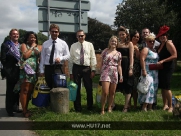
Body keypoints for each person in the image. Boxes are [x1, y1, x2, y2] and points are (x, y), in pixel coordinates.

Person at [13, 31, 42, 117]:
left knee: (30, 90)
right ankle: (24, 110)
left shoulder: (40, 46)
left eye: (34, 37)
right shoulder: (24, 45)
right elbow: (25, 56)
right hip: (25, 71)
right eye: (30, 37)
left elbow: (41, 57)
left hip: (34, 72)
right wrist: (32, 47)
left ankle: (26, 108)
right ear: (27, 38)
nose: (33, 39)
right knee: (24, 90)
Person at [68, 29, 97, 112]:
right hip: (76, 68)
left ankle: (90, 106)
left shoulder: (90, 45)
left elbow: (93, 57)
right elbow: (70, 60)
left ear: (85, 36)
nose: (80, 37)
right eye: (79, 36)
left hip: (86, 68)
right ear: (76, 37)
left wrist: (93, 70)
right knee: (76, 88)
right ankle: (78, 108)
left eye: (82, 35)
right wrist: (70, 72)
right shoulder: (73, 46)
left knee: (89, 88)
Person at [39, 24, 70, 89]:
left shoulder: (63, 43)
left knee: (58, 87)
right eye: (52, 31)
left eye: (56, 31)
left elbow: (68, 55)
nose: (54, 33)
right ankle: (49, 99)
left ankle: (57, 99)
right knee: (49, 87)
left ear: (58, 33)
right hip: (48, 68)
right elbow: (42, 58)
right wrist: (41, 70)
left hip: (58, 67)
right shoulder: (45, 43)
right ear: (50, 32)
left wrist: (61, 58)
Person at [99, 36, 123, 115]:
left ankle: (109, 107)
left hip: (114, 72)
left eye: (115, 41)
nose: (114, 42)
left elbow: (119, 66)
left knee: (112, 93)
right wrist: (101, 73)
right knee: (105, 92)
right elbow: (101, 63)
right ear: (109, 42)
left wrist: (121, 75)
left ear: (117, 43)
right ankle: (102, 109)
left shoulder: (119, 53)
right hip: (105, 72)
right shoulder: (105, 51)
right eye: (112, 41)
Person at [156, 25, 177, 112]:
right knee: (163, 87)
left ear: (167, 36)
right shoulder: (161, 44)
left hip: (168, 67)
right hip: (161, 67)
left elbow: (175, 55)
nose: (162, 37)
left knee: (167, 87)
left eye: (164, 35)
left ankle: (171, 106)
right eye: (161, 36)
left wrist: (163, 61)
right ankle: (165, 105)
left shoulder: (168, 43)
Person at [1, 29, 21, 116]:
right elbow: (3, 59)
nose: (15, 35)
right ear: (10, 36)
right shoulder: (6, 45)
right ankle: (9, 109)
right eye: (13, 34)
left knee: (17, 90)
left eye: (16, 34)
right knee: (10, 91)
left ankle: (15, 107)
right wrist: (6, 70)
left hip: (19, 70)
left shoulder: (20, 45)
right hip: (10, 71)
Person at [138, 33, 159, 111]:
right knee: (148, 88)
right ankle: (144, 106)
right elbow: (142, 59)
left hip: (155, 72)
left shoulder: (154, 50)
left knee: (154, 89)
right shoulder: (145, 49)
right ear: (146, 42)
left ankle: (150, 106)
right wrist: (143, 70)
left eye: (153, 41)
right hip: (147, 71)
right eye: (150, 41)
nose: (152, 43)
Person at [116, 26, 134, 112]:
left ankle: (126, 106)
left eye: (123, 34)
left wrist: (131, 68)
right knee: (116, 84)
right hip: (118, 65)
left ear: (126, 34)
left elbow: (131, 57)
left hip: (126, 65)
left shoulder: (130, 44)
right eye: (120, 34)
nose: (121, 36)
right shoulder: (117, 44)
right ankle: (112, 104)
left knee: (128, 85)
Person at [129, 30, 142, 109]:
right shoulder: (127, 44)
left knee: (135, 87)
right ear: (131, 36)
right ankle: (128, 104)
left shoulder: (140, 46)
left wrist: (137, 50)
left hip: (136, 68)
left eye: (138, 37)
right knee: (128, 87)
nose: (136, 38)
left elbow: (140, 58)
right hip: (128, 67)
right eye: (134, 36)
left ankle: (135, 104)